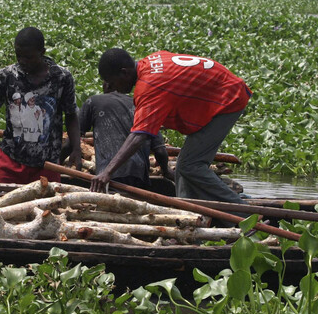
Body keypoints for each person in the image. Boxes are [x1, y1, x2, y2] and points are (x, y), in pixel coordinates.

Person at [90, 48, 251, 205]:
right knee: (184, 167)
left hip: (228, 99)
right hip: (221, 94)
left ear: (124, 73)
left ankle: (246, 217)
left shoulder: (149, 86)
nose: (112, 89)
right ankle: (189, 212)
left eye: (112, 82)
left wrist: (107, 172)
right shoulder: (150, 61)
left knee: (190, 166)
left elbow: (139, 135)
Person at [0, 27, 81, 183]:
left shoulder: (61, 77)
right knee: (0, 205)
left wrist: (76, 148)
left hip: (47, 164)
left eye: (28, 57)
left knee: (46, 206)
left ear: (42, 52)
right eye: (18, 55)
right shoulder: (6, 76)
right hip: (11, 159)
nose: (22, 61)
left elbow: (70, 116)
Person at [79, 81, 173, 190]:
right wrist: (166, 171)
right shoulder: (143, 107)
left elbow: (74, 138)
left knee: (110, 203)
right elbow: (160, 151)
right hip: (139, 175)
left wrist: (60, 162)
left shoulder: (94, 101)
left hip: (108, 174)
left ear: (108, 84)